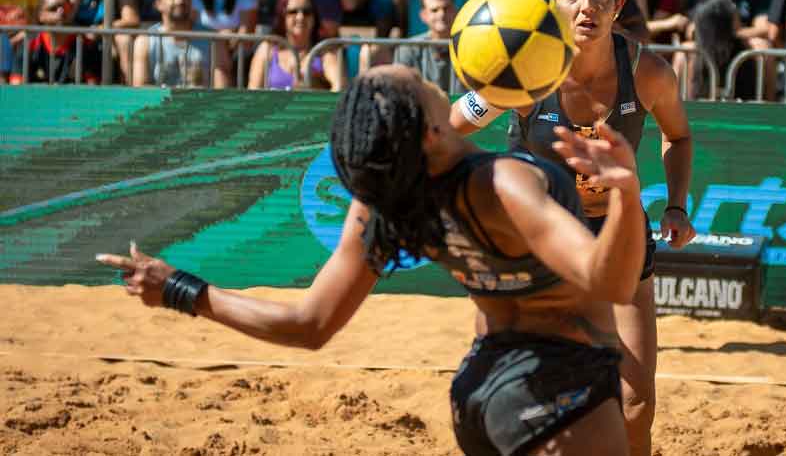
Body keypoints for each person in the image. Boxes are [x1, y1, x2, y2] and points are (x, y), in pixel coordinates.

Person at [98, 62, 650, 456]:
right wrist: (625, 191)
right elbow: (612, 280)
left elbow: (308, 324)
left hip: (480, 395)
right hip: (557, 390)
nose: (434, 81)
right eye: (424, 84)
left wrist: (179, 289)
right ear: (431, 130)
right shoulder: (501, 182)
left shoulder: (385, 201)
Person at [450, 0, 696, 456]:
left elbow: (679, 136)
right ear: (551, 2)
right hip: (537, 243)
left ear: (618, 4)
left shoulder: (648, 71)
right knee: (507, 397)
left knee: (634, 406)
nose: (587, 6)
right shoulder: (524, 69)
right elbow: (450, 126)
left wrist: (676, 205)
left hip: (617, 235)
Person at [131, 0, 230, 88]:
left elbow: (222, 88)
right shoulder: (144, 41)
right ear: (158, 4)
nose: (180, 0)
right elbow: (140, 87)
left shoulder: (214, 40)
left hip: (203, 104)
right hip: (161, 104)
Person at [248, 0, 343, 91]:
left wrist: (315, 85)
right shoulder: (267, 49)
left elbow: (339, 87)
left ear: (314, 18)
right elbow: (253, 91)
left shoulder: (324, 53)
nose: (300, 17)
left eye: (306, 12)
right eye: (293, 12)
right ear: (283, 17)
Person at [393, 0, 463, 95]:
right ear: (423, 15)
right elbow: (401, 90)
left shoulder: (469, 46)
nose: (442, 14)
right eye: (435, 10)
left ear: (455, 11)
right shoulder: (408, 49)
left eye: (446, 8)